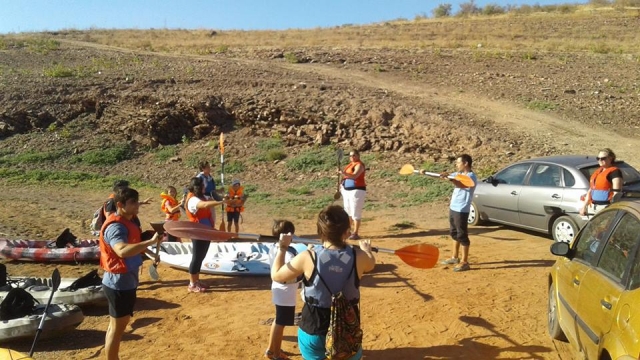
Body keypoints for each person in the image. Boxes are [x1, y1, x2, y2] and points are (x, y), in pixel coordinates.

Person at [271, 205, 376, 360]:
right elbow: (372, 263)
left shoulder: (307, 256)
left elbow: (277, 275)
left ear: (321, 232)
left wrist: (283, 248)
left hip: (314, 328)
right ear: (347, 232)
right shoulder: (359, 256)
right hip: (347, 331)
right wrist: (367, 249)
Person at [99, 187, 162, 360]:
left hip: (124, 281)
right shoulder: (116, 227)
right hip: (118, 283)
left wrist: (149, 250)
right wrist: (150, 241)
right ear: (120, 205)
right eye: (133, 202)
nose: (137, 205)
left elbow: (132, 245)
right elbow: (122, 250)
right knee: (117, 328)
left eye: (137, 201)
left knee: (117, 326)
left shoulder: (129, 219)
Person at [265, 220, 299, 360]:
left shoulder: (274, 247)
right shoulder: (288, 253)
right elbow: (293, 272)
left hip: (280, 289)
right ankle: (276, 354)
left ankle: (270, 349)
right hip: (285, 291)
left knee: (278, 320)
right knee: (281, 322)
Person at [438, 154, 478, 272]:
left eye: (458, 162)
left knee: (462, 235)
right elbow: (451, 177)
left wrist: (451, 179)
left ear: (465, 163)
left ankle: (464, 262)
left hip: (462, 209)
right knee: (454, 232)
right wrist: (444, 175)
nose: (456, 164)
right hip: (453, 207)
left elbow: (462, 184)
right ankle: (455, 257)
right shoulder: (458, 174)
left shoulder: (471, 177)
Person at [185, 176, 225, 293]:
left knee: (201, 256)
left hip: (205, 231)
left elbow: (210, 198)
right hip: (197, 231)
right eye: (203, 185)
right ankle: (192, 284)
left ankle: (196, 281)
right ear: (198, 187)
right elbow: (204, 205)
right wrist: (221, 201)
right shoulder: (193, 199)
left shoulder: (201, 197)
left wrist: (226, 198)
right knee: (196, 257)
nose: (205, 187)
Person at [579, 148, 623, 217]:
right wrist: (584, 207)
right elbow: (590, 190)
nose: (600, 160)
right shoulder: (598, 172)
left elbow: (617, 193)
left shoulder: (615, 172)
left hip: (605, 207)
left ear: (610, 159)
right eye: (598, 158)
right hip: (592, 206)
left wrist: (612, 209)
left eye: (603, 158)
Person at [339, 150, 367, 240]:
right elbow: (346, 177)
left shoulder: (359, 165)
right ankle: (347, 230)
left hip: (356, 190)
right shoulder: (350, 165)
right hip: (346, 190)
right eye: (350, 155)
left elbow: (355, 176)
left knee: (355, 211)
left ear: (358, 155)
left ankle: (355, 233)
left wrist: (343, 173)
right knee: (347, 211)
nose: (352, 157)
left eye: (354, 155)